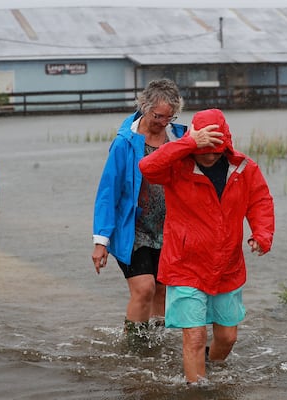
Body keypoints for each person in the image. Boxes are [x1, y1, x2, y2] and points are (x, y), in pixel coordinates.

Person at [139, 108, 275, 384]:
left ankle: (206, 369)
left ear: (227, 143)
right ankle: (196, 388)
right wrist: (189, 142)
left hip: (228, 266)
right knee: (195, 335)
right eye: (204, 148)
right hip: (184, 265)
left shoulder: (244, 168)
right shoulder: (177, 166)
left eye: (217, 148)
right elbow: (147, 167)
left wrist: (262, 234)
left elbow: (260, 201)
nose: (210, 155)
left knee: (227, 337)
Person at [91, 78, 187, 339]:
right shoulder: (125, 142)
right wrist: (101, 240)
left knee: (162, 288)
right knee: (144, 288)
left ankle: (155, 343)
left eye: (169, 117)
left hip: (168, 229)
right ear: (144, 107)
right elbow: (108, 192)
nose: (163, 122)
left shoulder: (180, 137)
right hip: (133, 230)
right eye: (158, 116)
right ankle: (133, 346)